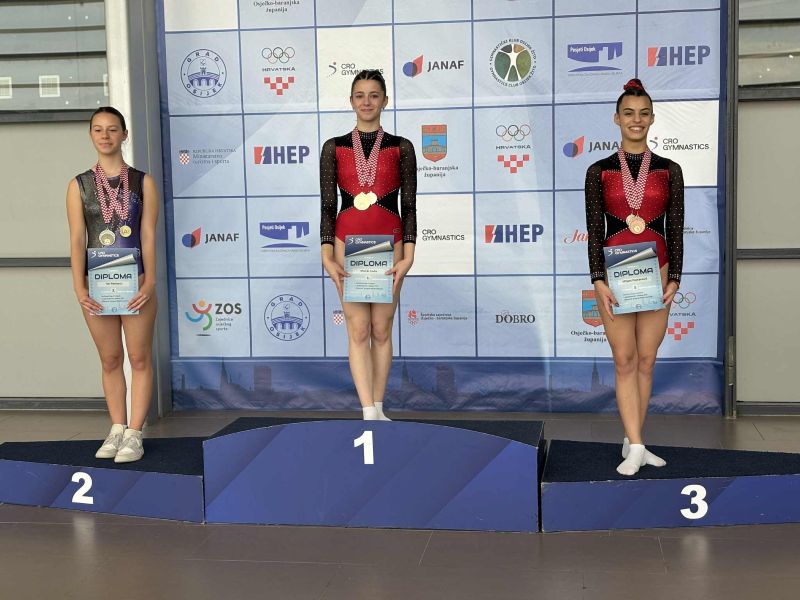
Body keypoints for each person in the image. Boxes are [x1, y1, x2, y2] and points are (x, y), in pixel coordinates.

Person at [584, 79, 684, 476]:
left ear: (652, 119)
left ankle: (634, 440)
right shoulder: (599, 171)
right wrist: (598, 279)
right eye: (628, 113)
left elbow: (675, 228)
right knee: (624, 359)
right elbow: (595, 230)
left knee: (646, 360)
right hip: (615, 273)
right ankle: (638, 446)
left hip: (657, 271)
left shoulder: (669, 170)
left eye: (643, 114)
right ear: (617, 119)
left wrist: (675, 278)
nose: (636, 120)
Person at [320, 70, 417, 420]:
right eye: (360, 95)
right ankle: (366, 413)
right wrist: (327, 254)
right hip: (348, 244)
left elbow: (409, 205)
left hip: (390, 244)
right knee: (358, 330)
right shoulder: (334, 147)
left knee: (381, 329)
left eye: (374, 95)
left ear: (385, 101)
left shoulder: (401, 147)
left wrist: (409, 255)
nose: (366, 102)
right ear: (351, 101)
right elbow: (328, 206)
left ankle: (378, 407)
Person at [66, 107, 159, 462]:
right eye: (98, 129)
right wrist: (80, 288)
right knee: (109, 359)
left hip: (136, 282)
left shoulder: (142, 182)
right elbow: (77, 239)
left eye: (112, 129)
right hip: (98, 285)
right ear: (91, 135)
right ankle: (116, 428)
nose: (105, 136)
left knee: (138, 357)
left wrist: (150, 281)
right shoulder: (78, 185)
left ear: (124, 134)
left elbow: (147, 235)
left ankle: (135, 433)